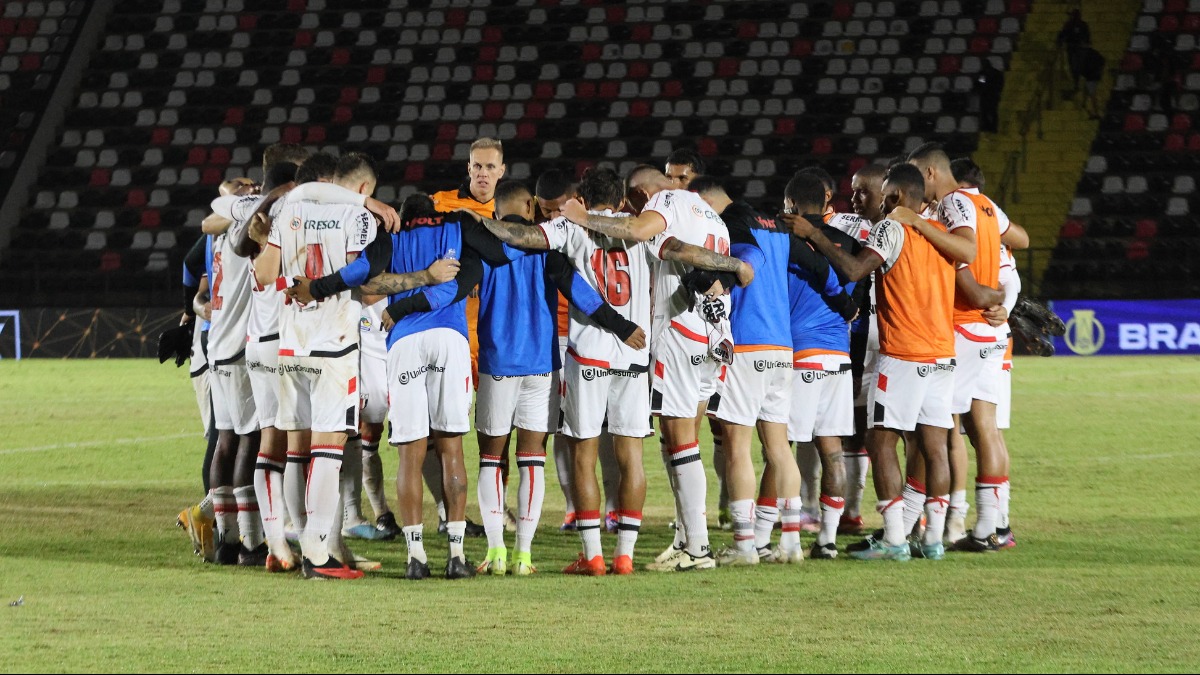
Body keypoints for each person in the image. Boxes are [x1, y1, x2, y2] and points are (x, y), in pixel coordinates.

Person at [475, 165, 748, 574]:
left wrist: (480, 222)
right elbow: (680, 253)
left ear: (582, 199)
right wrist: (733, 267)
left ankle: (593, 555)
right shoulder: (644, 229)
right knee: (630, 456)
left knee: (584, 453)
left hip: (589, 355)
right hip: (634, 355)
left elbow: (528, 237)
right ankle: (624, 555)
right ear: (622, 200)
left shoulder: (572, 225)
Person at [390, 179, 639, 575]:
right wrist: (619, 325)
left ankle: (496, 552)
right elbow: (580, 291)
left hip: (496, 364)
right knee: (532, 462)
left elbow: (457, 288)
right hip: (541, 364)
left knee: (491, 459)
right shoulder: (546, 247)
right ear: (527, 205)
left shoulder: (483, 246)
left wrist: (406, 304)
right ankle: (524, 554)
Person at [785, 163, 966, 561]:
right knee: (934, 444)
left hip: (904, 351)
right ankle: (932, 538)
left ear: (898, 196)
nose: (880, 202)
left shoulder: (892, 226)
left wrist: (813, 233)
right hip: (942, 352)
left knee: (879, 441)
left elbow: (853, 268)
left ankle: (895, 539)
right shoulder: (940, 232)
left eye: (884, 195)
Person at [250, 153, 382, 579]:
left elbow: (265, 274)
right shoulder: (352, 211)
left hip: (291, 345)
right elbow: (362, 270)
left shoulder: (288, 211)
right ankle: (317, 551)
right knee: (328, 450)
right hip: (333, 344)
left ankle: (299, 535)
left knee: (296, 450)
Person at [686, 177, 803, 566]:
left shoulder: (730, 223)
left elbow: (748, 258)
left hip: (749, 346)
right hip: (782, 346)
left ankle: (744, 546)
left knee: (737, 447)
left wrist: (721, 282)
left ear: (706, 201)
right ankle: (790, 542)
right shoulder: (776, 225)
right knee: (779, 448)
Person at [777, 173, 865, 560]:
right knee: (832, 450)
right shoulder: (849, 245)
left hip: (800, 354)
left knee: (781, 448)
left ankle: (789, 538)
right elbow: (856, 305)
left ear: (791, 204)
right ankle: (827, 540)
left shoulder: (785, 240)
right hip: (838, 358)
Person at [199, 176, 264, 566]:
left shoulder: (221, 226)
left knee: (226, 439)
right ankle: (251, 544)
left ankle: (225, 540)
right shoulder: (245, 220)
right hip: (239, 346)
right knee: (249, 440)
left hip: (218, 342)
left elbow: (209, 220)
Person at [1056, 9, 1091, 92]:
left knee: (1077, 66)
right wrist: (1060, 41)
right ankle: (1076, 82)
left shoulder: (1082, 25)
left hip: (1079, 48)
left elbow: (1087, 37)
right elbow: (1062, 34)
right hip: (1072, 48)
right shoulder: (1069, 24)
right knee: (1073, 66)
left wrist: (1086, 43)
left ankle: (1079, 82)